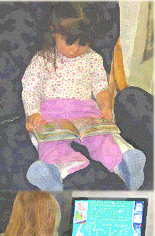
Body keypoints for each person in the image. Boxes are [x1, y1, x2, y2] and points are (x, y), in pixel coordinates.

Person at [22, 3, 146, 192]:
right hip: (51, 114)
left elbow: (101, 89)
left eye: (83, 43)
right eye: (69, 42)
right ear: (54, 31)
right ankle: (52, 174)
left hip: (85, 111)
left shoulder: (93, 59)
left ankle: (126, 166)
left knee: (104, 138)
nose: (76, 49)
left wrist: (106, 107)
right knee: (49, 144)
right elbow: (30, 89)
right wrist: (33, 114)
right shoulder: (42, 59)